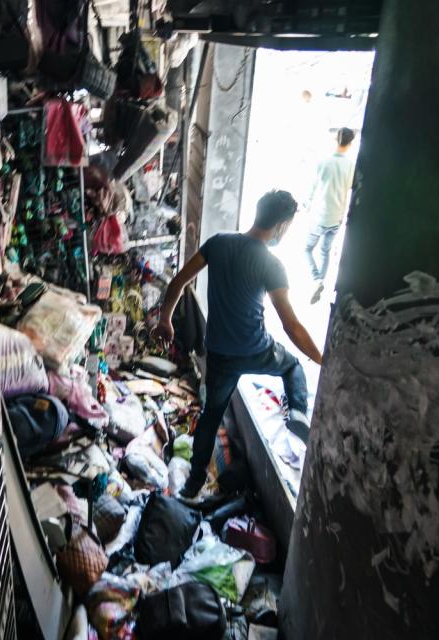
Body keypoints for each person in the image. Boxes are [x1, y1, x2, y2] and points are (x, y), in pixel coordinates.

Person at [153, 190, 323, 499]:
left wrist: (165, 321)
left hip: (219, 354)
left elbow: (177, 282)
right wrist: (323, 360)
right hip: (256, 350)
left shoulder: (218, 243)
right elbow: (291, 326)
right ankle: (297, 414)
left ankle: (193, 483)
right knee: (293, 365)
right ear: (282, 225)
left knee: (211, 416)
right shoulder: (271, 264)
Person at [304, 127, 357, 304]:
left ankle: (316, 279)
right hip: (336, 219)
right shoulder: (351, 166)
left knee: (307, 249)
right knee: (325, 251)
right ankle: (320, 281)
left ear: (336, 140)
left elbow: (312, 187)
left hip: (320, 216)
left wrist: (306, 205)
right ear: (350, 144)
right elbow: (350, 188)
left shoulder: (324, 162)